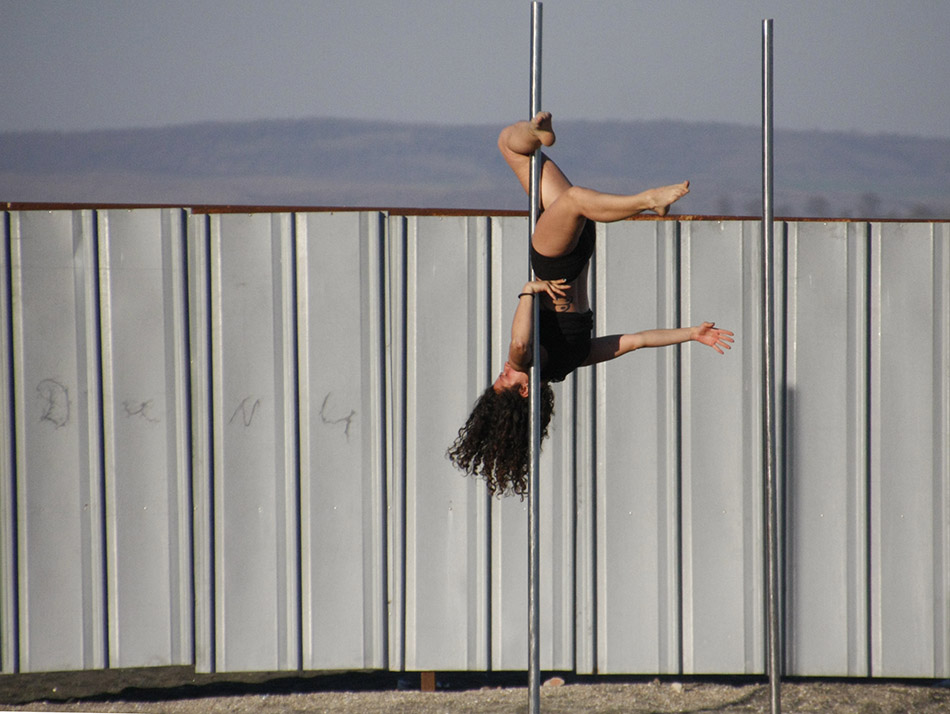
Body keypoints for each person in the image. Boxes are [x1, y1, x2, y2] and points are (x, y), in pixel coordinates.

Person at [447, 112, 734, 497]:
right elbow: (518, 344)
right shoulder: (524, 361)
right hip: (554, 259)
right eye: (503, 382)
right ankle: (648, 200)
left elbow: (634, 341)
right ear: (524, 391)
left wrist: (691, 334)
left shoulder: (570, 361)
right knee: (575, 198)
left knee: (512, 148)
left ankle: (534, 132)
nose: (502, 374)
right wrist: (528, 291)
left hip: (579, 252)